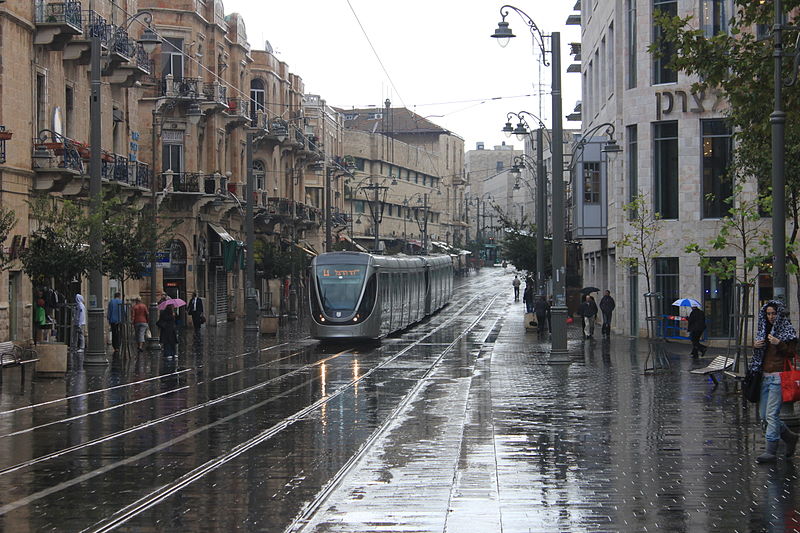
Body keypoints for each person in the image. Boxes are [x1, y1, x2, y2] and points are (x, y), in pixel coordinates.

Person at [750, 300, 799, 463]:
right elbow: (759, 355)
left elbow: (792, 353)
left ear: (779, 314)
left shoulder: (787, 331)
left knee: (771, 415)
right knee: (764, 416)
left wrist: (779, 344)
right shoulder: (763, 329)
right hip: (764, 376)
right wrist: (755, 346)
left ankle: (771, 450)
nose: (771, 316)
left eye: (774, 313)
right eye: (768, 313)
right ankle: (790, 437)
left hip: (779, 377)